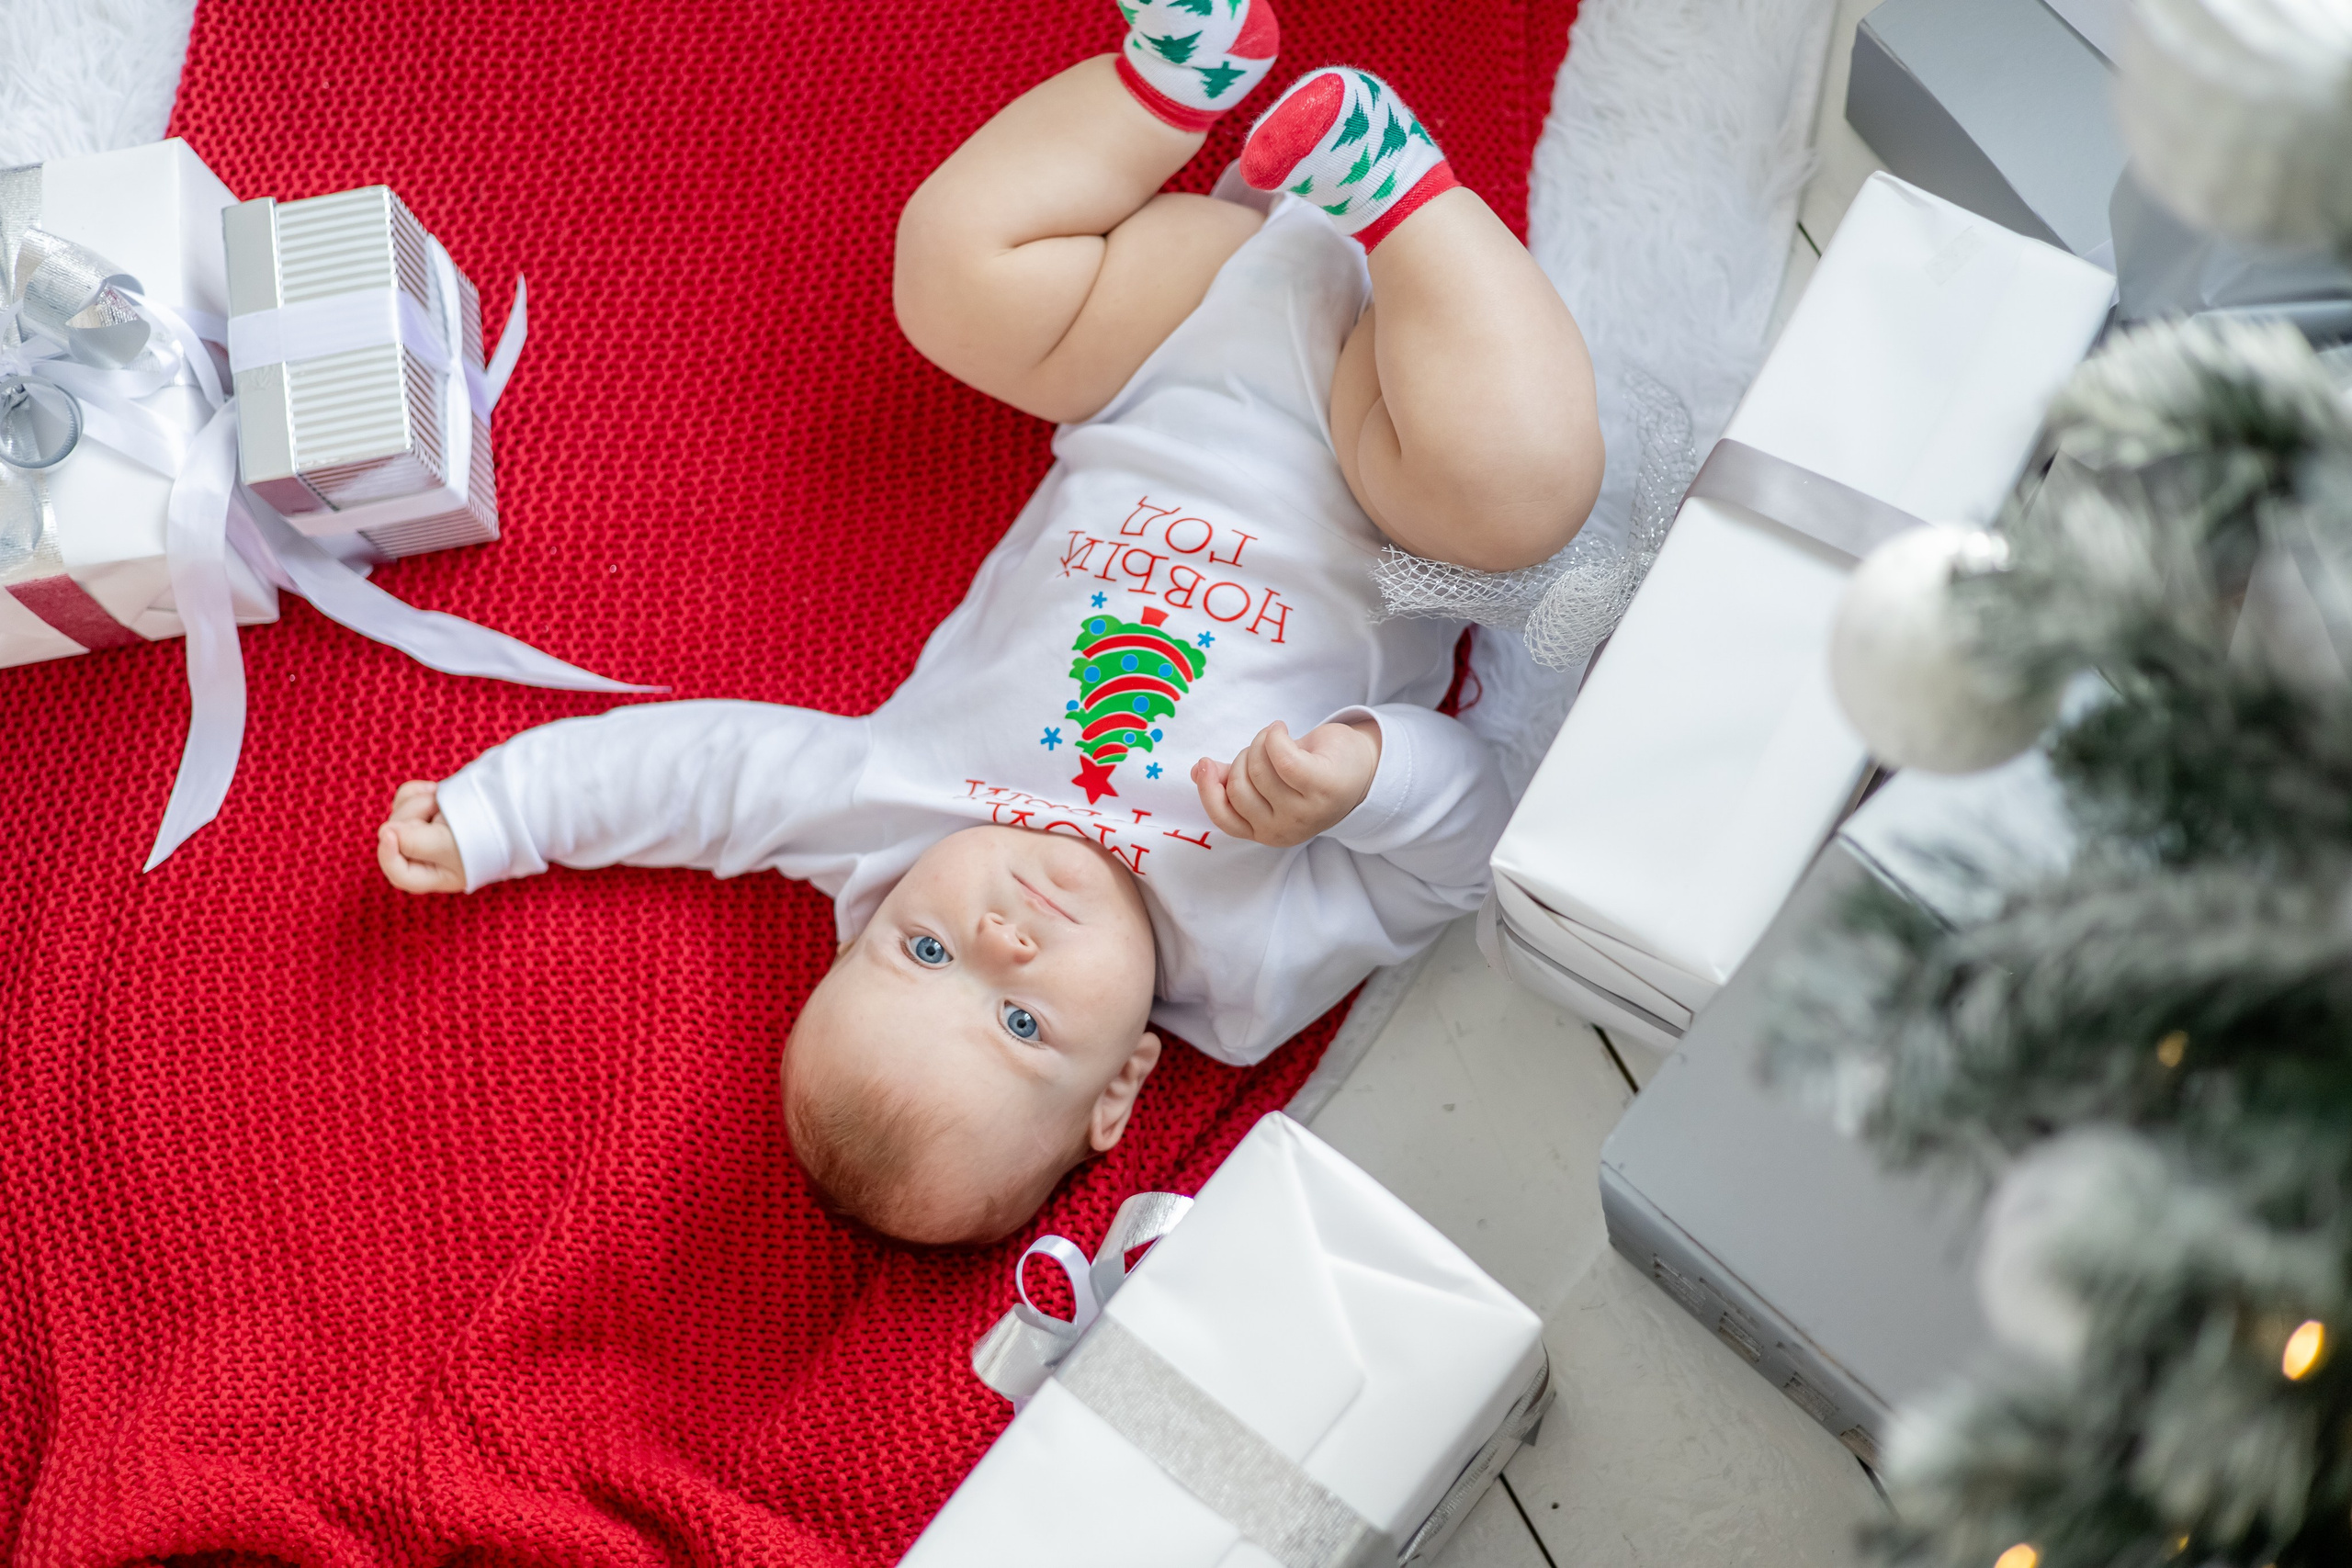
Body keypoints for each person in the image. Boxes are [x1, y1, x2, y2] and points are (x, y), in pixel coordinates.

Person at [375, 0, 1603, 1246]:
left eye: (921, 953)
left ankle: (1169, 82)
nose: (1002, 937)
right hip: (1384, 440)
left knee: (951, 276)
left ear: (866, 919)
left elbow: (690, 778)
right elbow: (1464, 850)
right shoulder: (1247, 976)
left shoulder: (891, 807)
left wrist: (503, 815)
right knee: (1524, 497)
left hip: (1166, 341)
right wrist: (1366, 777)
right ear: (1120, 1084)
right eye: (1023, 1024)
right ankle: (1398, 191)